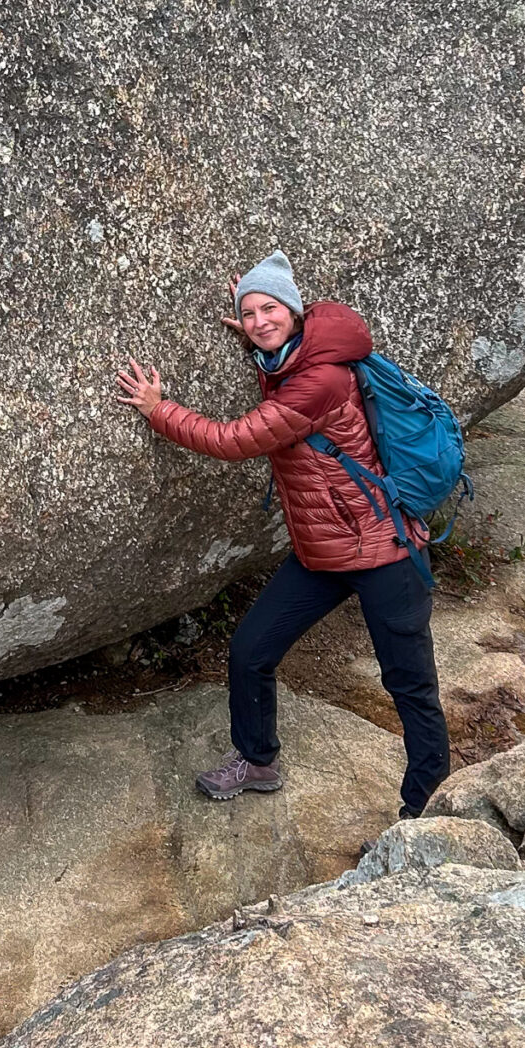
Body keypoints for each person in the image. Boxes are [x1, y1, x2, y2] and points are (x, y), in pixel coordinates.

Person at [115, 249, 449, 818]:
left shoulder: (318, 380)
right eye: (249, 314)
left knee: (409, 686)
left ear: (296, 313)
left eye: (271, 310)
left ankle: (425, 810)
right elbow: (280, 372)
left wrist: (158, 408)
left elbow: (233, 440)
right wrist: (258, 334)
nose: (260, 321)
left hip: (382, 551)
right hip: (324, 551)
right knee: (250, 651)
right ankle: (258, 759)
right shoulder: (294, 359)